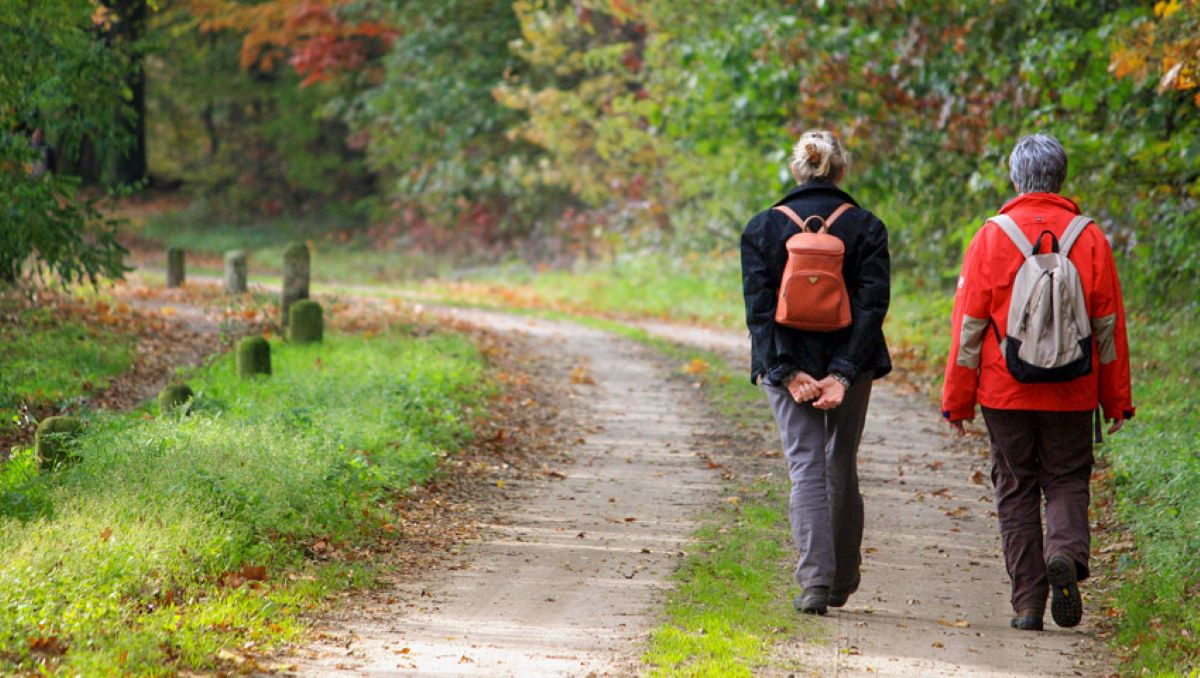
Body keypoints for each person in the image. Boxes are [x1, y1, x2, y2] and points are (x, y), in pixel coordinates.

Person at [942, 133, 1134, 631]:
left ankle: (1028, 604)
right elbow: (1108, 327)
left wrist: (957, 401)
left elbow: (968, 328)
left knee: (1016, 486)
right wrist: (1116, 400)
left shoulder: (991, 236)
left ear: (1016, 179)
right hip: (1074, 387)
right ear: (1061, 178)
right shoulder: (1089, 237)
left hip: (1005, 389)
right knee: (1067, 477)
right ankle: (1064, 552)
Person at [741, 129, 891, 615]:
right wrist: (843, 375)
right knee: (840, 461)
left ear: (796, 169)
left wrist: (786, 372)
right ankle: (842, 577)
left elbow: (758, 313)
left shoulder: (763, 228)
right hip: (853, 364)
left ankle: (815, 583)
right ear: (841, 169)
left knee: (805, 465)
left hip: (790, 363)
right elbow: (873, 308)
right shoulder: (867, 227)